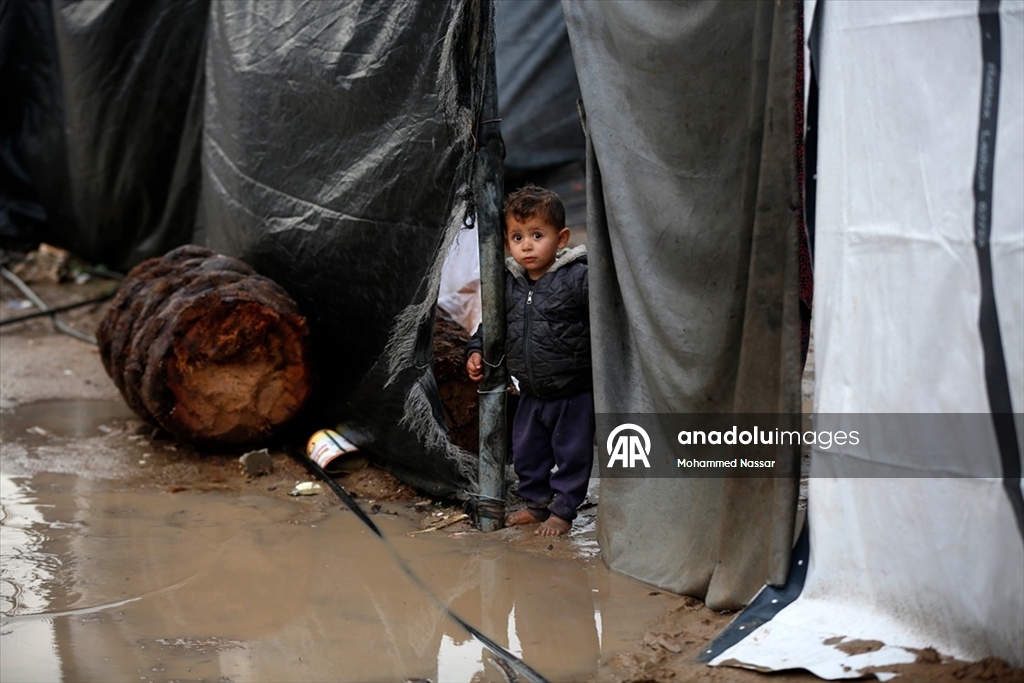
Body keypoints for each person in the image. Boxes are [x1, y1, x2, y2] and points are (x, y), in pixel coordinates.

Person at [466, 184, 594, 536]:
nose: (527, 245)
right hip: (530, 392)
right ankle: (537, 504)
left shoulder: (577, 278)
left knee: (572, 455)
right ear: (506, 241)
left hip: (573, 391)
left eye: (537, 235)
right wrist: (476, 351)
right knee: (526, 453)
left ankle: (563, 511)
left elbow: (606, 319)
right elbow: (491, 325)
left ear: (561, 238)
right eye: (517, 237)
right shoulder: (510, 283)